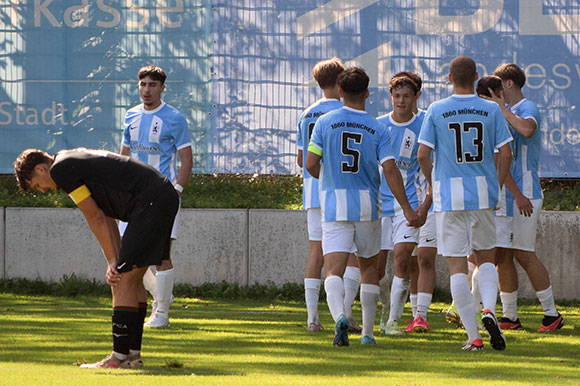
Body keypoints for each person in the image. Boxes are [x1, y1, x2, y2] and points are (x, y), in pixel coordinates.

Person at [14, 148, 179, 368]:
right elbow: (106, 214)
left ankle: (118, 358)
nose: (43, 190)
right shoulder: (69, 159)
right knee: (130, 277)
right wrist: (114, 259)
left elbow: (95, 216)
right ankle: (132, 356)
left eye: (37, 184)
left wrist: (113, 262)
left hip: (150, 200)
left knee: (121, 279)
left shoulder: (61, 170)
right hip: (160, 196)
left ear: (40, 169)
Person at [306, 67, 421, 346]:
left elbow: (310, 163)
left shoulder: (324, 122)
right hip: (369, 205)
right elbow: (391, 170)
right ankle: (368, 334)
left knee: (333, 269)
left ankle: (339, 317)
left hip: (334, 205)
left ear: (341, 92)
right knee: (369, 269)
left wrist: (330, 177)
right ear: (368, 93)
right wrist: (406, 207)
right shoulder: (378, 128)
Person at [418, 56, 513, 351]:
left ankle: (473, 337)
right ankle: (489, 311)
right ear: (475, 76)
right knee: (485, 259)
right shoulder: (490, 109)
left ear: (448, 78)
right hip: (482, 194)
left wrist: (433, 184)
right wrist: (494, 187)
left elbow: (423, 155)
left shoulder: (436, 109)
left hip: (449, 196)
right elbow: (506, 153)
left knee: (457, 265)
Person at [485, 64, 564, 332]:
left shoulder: (527, 107)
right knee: (504, 255)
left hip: (526, 193)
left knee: (524, 253)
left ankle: (551, 314)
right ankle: (509, 316)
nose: (497, 94)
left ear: (508, 84)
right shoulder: (501, 113)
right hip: (508, 196)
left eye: (499, 87)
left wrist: (502, 110)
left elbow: (528, 130)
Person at [119, 65, 193, 328]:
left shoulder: (174, 118)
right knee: (123, 254)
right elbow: (124, 157)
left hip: (161, 196)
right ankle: (162, 294)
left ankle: (161, 313)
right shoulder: (130, 116)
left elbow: (186, 159)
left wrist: (176, 191)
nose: (146, 90)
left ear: (162, 88)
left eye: (152, 85)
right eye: (143, 84)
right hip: (132, 198)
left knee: (160, 255)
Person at [296, 57, 363, 333]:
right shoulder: (346, 111)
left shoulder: (307, 113)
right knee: (354, 254)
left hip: (313, 192)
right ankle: (344, 314)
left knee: (316, 252)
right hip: (342, 189)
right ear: (340, 83)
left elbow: (302, 158)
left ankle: (313, 319)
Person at [375, 75, 431, 335]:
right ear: (390, 97)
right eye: (396, 96)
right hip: (377, 206)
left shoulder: (425, 124)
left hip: (409, 205)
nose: (401, 101)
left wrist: (425, 204)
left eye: (406, 96)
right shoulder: (378, 126)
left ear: (416, 97)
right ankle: (385, 308)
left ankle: (393, 321)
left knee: (402, 257)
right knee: (375, 270)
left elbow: (433, 167)